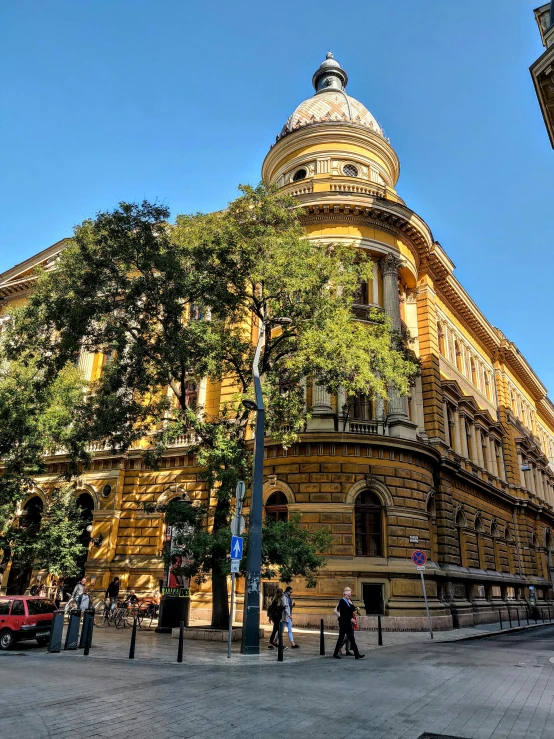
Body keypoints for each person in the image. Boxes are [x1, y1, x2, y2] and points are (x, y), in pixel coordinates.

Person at [333, 587, 364, 660]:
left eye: (350, 596)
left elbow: (351, 609)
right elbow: (343, 613)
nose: (350, 597)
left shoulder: (347, 601)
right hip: (344, 623)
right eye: (349, 596)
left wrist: (355, 607)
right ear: (345, 595)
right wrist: (351, 619)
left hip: (347, 623)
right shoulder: (342, 601)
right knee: (342, 638)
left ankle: (356, 654)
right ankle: (335, 653)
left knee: (350, 638)